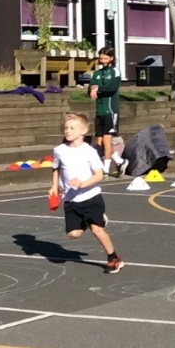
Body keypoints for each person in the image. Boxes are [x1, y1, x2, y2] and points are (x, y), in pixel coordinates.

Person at [51, 112, 124, 273]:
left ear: (83, 131)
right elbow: (55, 168)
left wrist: (82, 184)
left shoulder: (89, 151)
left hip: (91, 197)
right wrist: (54, 186)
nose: (68, 131)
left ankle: (114, 258)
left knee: (97, 230)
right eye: (66, 128)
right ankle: (91, 220)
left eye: (72, 128)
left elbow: (99, 175)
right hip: (71, 200)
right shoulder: (59, 150)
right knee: (73, 235)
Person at [89, 46, 121, 171]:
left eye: (105, 58)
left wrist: (98, 88)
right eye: (101, 58)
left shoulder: (115, 71)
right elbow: (91, 87)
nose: (103, 61)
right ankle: (120, 161)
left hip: (110, 110)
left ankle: (105, 169)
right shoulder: (97, 73)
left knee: (107, 141)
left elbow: (112, 88)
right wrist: (91, 90)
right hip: (100, 110)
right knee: (100, 142)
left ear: (111, 58)